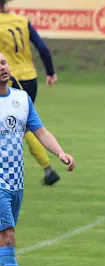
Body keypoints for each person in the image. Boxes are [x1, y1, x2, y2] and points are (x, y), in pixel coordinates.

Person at [0, 53, 74, 266]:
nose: (2, 68)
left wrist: (60, 153)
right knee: (8, 238)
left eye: (3, 63)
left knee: (3, 240)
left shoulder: (21, 99)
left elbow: (39, 131)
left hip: (16, 182)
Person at [0, 0, 61, 186]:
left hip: (10, 79)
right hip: (30, 77)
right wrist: (50, 72)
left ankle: (48, 168)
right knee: (22, 123)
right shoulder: (21, 20)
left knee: (22, 126)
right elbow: (42, 48)